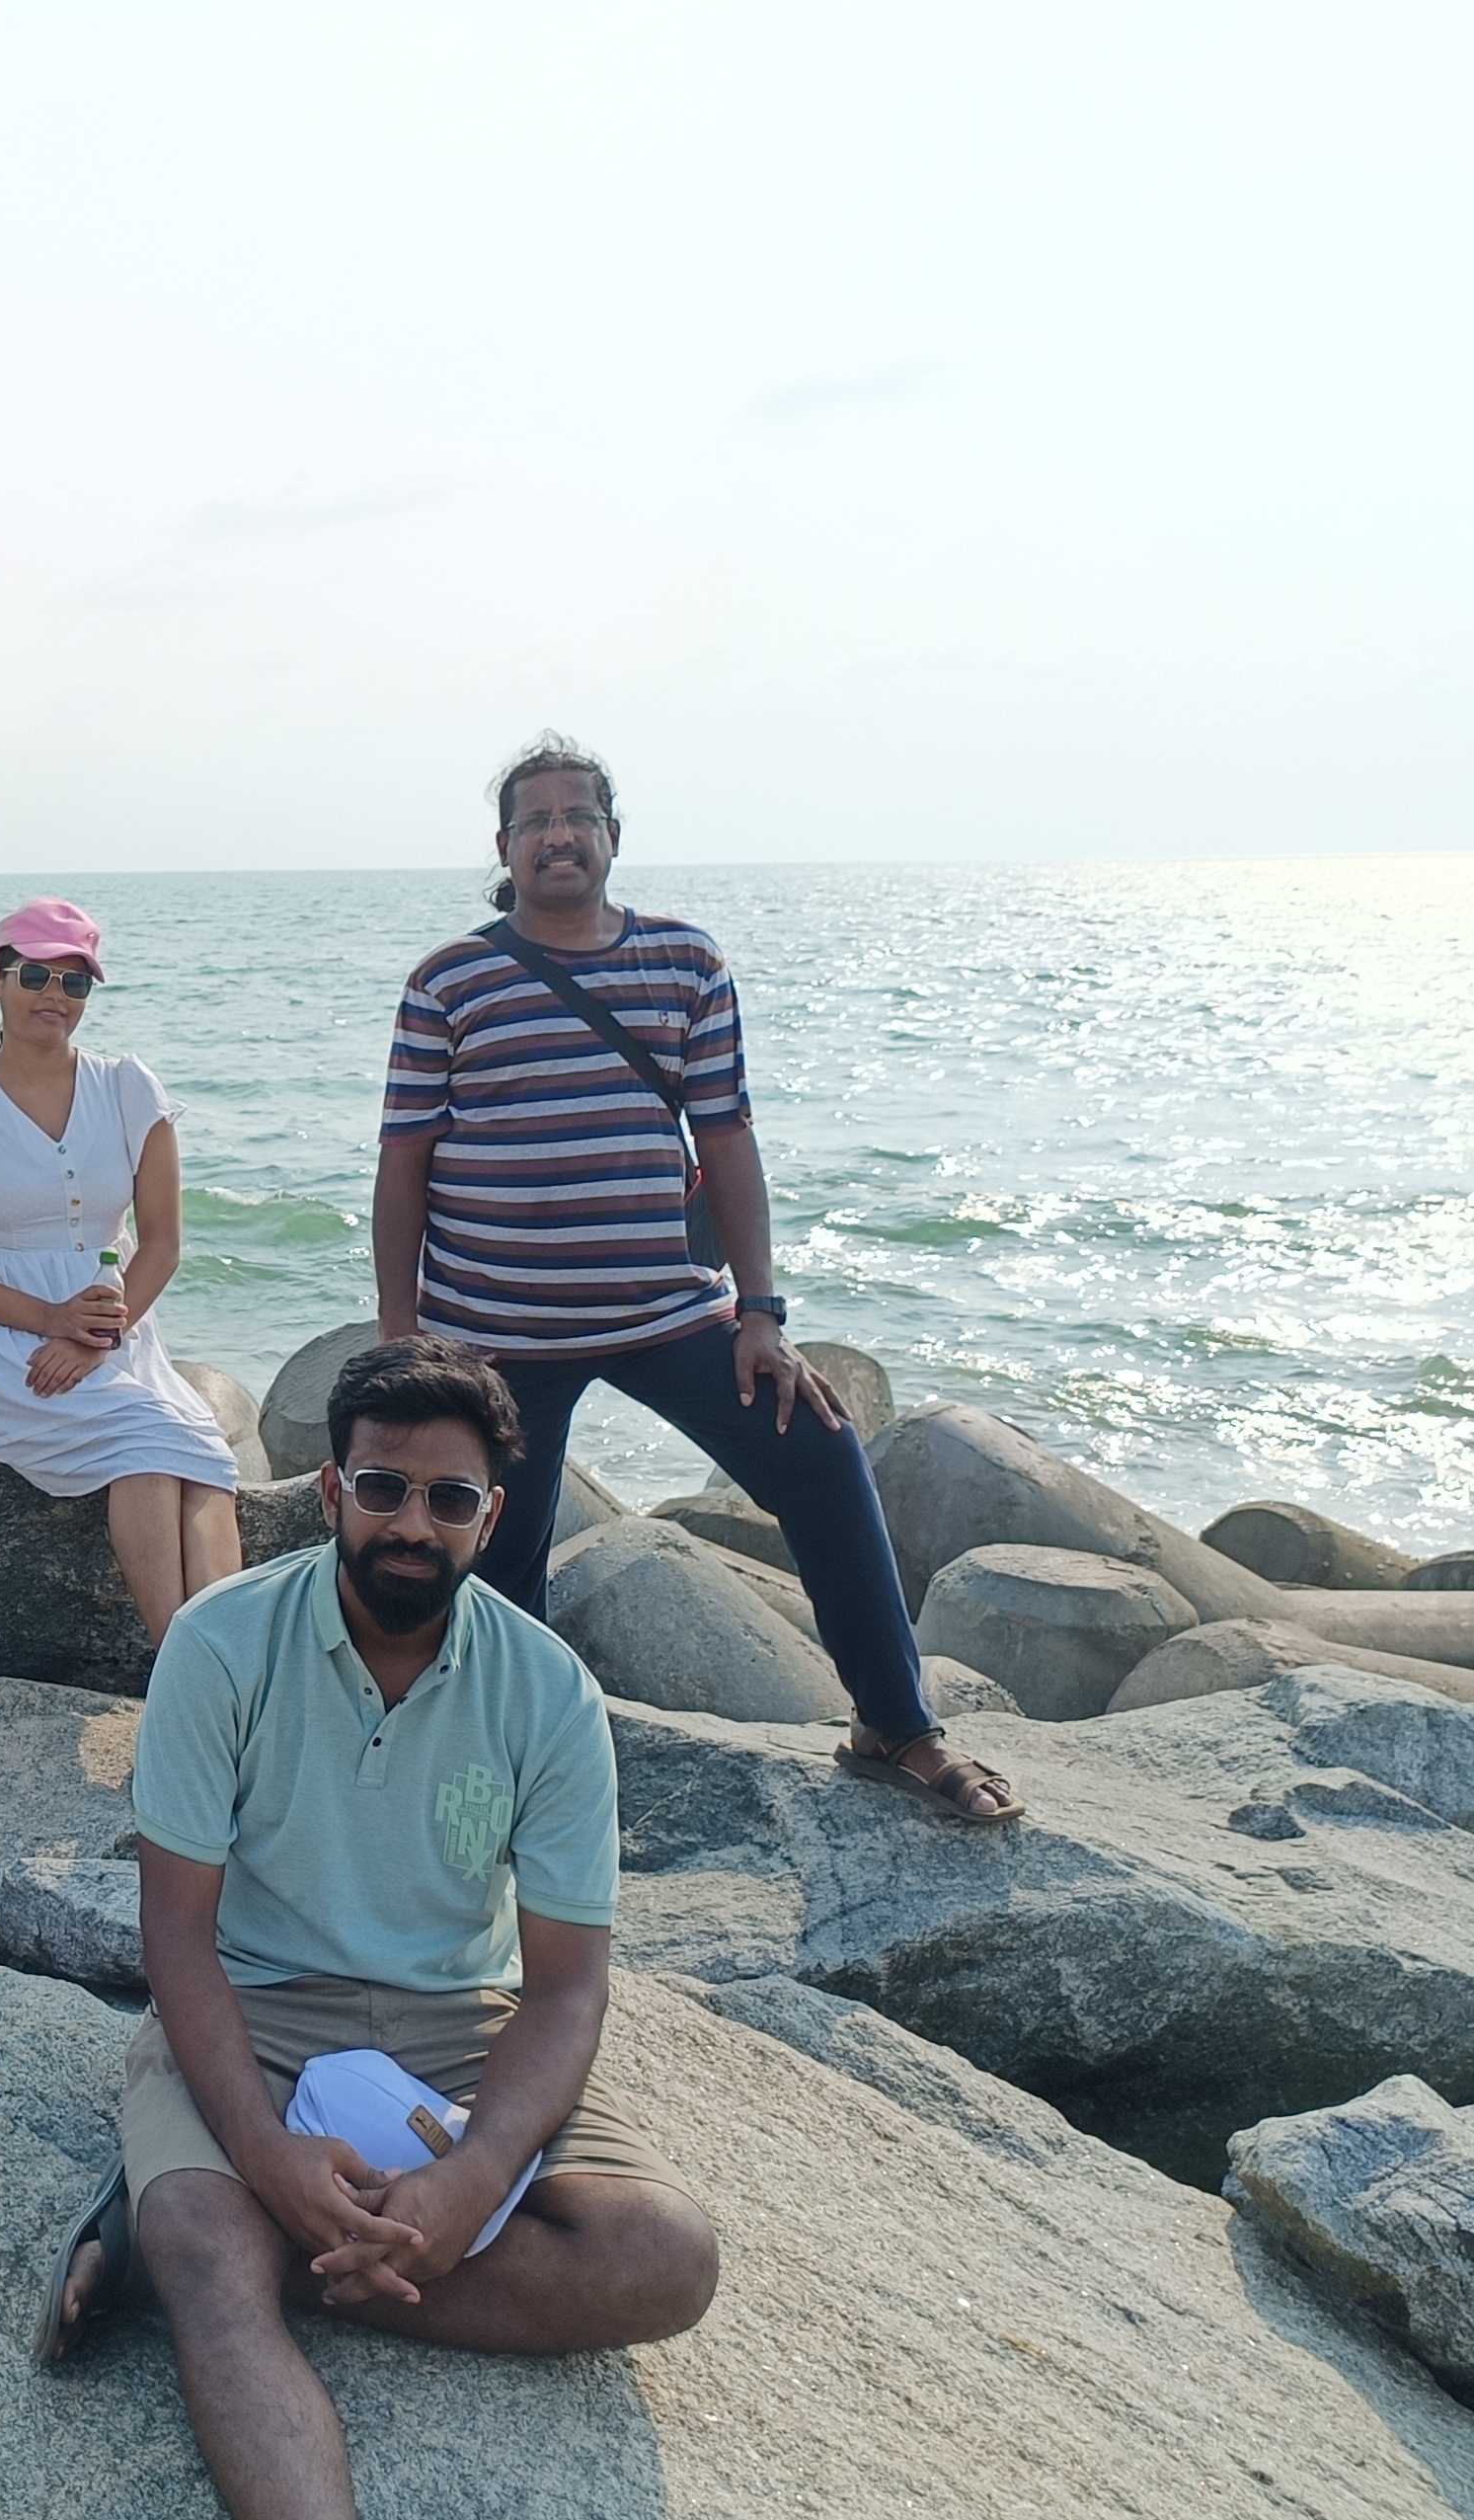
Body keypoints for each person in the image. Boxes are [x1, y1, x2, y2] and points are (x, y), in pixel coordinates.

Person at [42, 1337, 720, 2520]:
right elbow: (177, 1936)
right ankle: (204, 2244)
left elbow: (566, 1989)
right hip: (253, 2006)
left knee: (663, 2258)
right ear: (329, 1492)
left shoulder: (548, 1691)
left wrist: (473, 2176)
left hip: (459, 2022)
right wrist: (261, 2152)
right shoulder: (218, 1643)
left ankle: (186, 2245)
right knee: (210, 2247)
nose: (411, 1523)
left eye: (449, 1498)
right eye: (382, 1488)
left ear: (491, 1516)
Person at [367, 734, 1019, 1825]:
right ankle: (492, 1761)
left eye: (579, 816)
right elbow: (404, 1163)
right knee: (493, 1550)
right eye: (536, 820)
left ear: (612, 836)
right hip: (492, 1332)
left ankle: (894, 1726)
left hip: (667, 1312)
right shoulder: (449, 980)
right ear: (505, 846)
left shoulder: (685, 962)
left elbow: (726, 1136)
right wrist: (403, 1333)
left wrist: (761, 1313)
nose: (559, 835)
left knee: (818, 1450)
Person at [0, 899, 241, 1640]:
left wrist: (95, 1337)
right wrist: (53, 1322)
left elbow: (162, 1244)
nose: (55, 995)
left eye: (75, 982)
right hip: (1, 1340)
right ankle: (180, 1662)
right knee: (148, 1443)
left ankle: (226, 1664)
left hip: (115, 1329)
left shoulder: (129, 1089)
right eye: (35, 975)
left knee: (204, 1458)